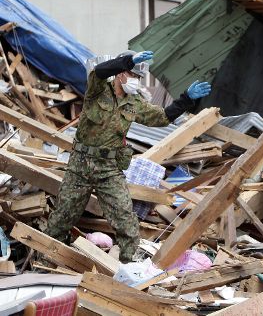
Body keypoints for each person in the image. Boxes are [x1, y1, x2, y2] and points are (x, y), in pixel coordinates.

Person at [45, 50, 211, 263]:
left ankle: (128, 267)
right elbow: (100, 70)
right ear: (121, 74)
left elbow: (162, 118)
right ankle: (47, 259)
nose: (135, 81)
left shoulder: (135, 102)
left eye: (138, 78)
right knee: (62, 217)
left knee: (125, 220)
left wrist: (186, 99)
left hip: (109, 168)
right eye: (133, 75)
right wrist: (129, 61)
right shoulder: (98, 89)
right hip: (80, 165)